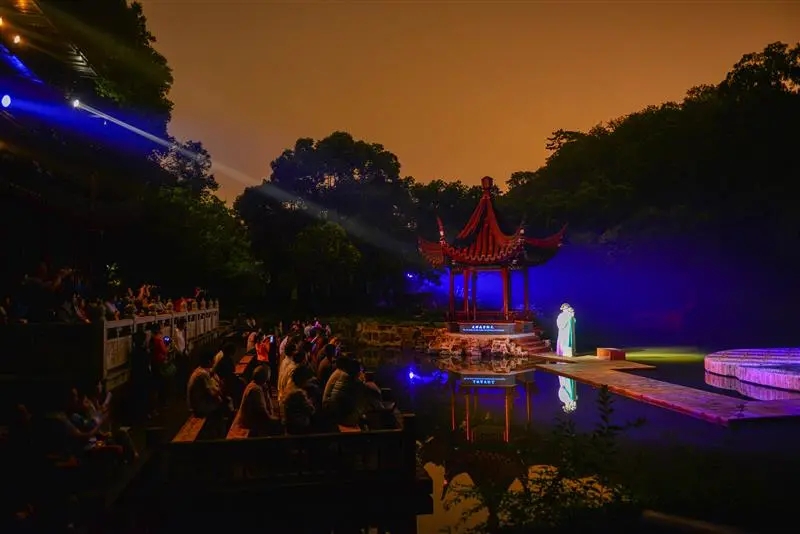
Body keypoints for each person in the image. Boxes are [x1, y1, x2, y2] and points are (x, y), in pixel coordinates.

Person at [235, 365, 280, 436]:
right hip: (249, 423)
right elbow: (262, 412)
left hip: (251, 420)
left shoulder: (255, 385)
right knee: (278, 426)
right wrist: (274, 419)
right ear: (264, 377)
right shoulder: (255, 390)